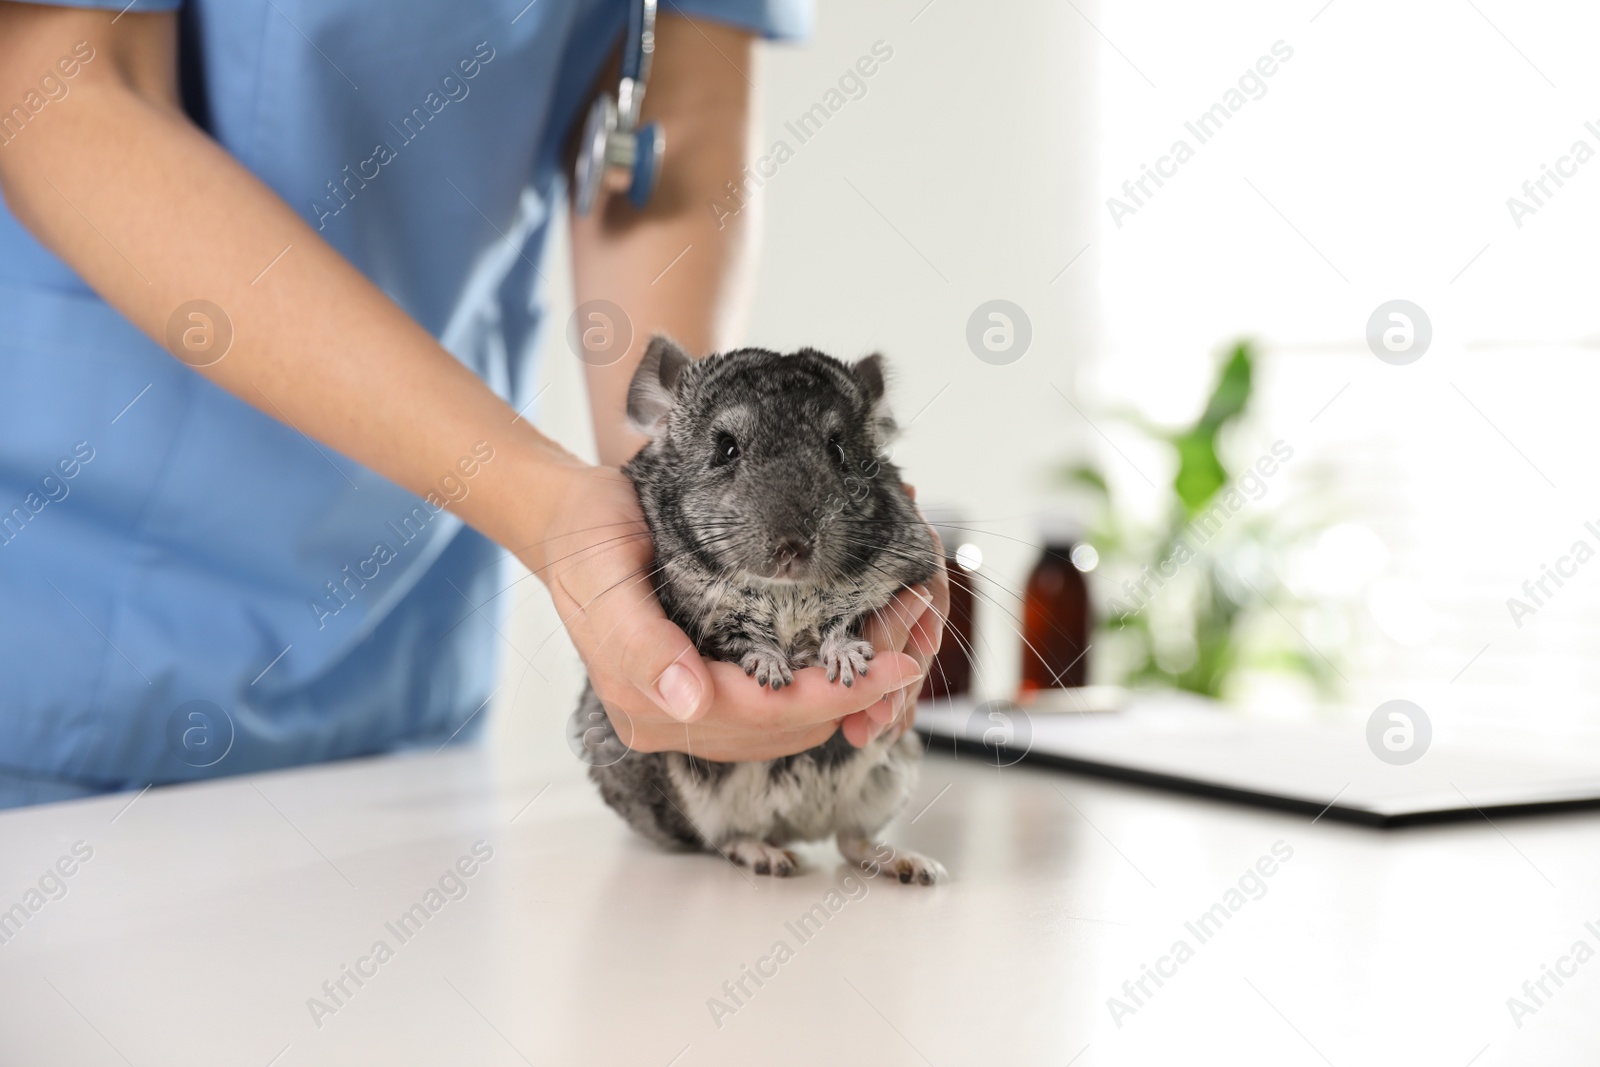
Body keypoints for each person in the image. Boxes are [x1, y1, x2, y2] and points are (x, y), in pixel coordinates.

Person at [0, 0, 946, 808]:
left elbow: (667, 119)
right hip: (72, 619)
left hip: (405, 650)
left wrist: (669, 545)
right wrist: (544, 503)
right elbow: (60, 93)